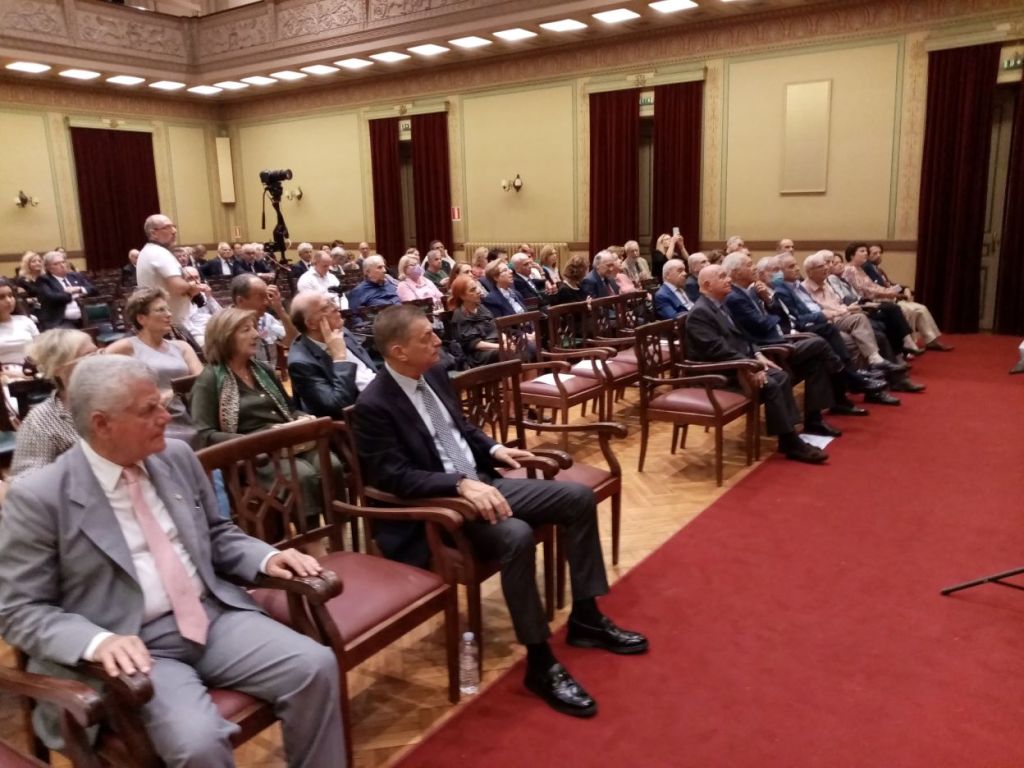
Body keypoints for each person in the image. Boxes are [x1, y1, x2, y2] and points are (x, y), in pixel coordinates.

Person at [0, 354, 345, 766]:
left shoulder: (175, 456)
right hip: (133, 645)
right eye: (149, 410)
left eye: (162, 404)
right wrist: (96, 641)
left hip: (212, 616)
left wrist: (267, 558)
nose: (166, 417)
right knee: (197, 743)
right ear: (101, 424)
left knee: (314, 666)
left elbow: (216, 533)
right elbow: (18, 610)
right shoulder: (41, 497)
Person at [352, 304, 647, 718]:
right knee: (516, 534)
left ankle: (586, 618)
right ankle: (540, 662)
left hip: (481, 483)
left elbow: (461, 429)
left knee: (577, 498)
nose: (438, 340)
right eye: (426, 337)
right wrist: (457, 485)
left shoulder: (434, 374)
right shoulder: (373, 405)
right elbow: (393, 478)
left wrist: (493, 449)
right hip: (437, 509)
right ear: (399, 351)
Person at [191, 308, 344, 528]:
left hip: (287, 443)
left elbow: (289, 410)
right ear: (225, 337)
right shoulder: (209, 379)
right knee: (302, 475)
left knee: (331, 464)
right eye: (246, 330)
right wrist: (257, 439)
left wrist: (304, 419)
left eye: (254, 328)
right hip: (253, 457)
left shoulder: (262, 369)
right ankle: (312, 539)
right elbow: (204, 435)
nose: (256, 334)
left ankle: (337, 530)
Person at [686, 265, 829, 464]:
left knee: (781, 376)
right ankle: (791, 442)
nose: (729, 279)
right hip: (718, 375)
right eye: (722, 276)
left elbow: (743, 337)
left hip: (737, 364)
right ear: (708, 285)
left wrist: (757, 354)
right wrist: (750, 366)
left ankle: (788, 440)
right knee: (772, 383)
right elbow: (717, 351)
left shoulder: (720, 304)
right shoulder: (700, 313)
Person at [104, 288, 203, 446]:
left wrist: (173, 392)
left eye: (168, 309)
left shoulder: (182, 346)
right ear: (141, 319)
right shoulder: (125, 347)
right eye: (160, 310)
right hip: (151, 420)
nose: (168, 314)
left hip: (188, 411)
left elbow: (201, 378)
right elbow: (100, 381)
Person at [10, 329, 95, 478]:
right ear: (58, 369)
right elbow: (27, 480)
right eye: (89, 356)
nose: (101, 360)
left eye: (99, 352)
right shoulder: (41, 421)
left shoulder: (123, 395)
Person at [842, 242, 952, 353]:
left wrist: (895, 291)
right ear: (852, 255)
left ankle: (917, 342)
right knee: (903, 310)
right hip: (867, 302)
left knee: (917, 308)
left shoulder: (859, 269)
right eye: (862, 251)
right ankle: (908, 344)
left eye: (866, 251)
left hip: (879, 298)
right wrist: (891, 293)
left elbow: (874, 286)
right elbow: (867, 290)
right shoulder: (850, 269)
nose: (866, 253)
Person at [287, 291, 378, 417]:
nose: (336, 307)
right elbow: (336, 407)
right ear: (311, 323)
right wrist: (340, 359)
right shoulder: (301, 363)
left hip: (381, 395)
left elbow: (370, 371)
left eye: (332, 302)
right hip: (363, 414)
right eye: (326, 307)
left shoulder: (341, 331)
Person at [137, 215, 208, 327]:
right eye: (167, 227)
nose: (174, 231)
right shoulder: (159, 253)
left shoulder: (147, 251)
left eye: (174, 227)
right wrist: (193, 287)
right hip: (171, 323)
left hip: (160, 320)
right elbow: (178, 287)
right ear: (153, 233)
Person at [231, 273, 297, 369]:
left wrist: (280, 309)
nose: (267, 302)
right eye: (261, 297)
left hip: (268, 375)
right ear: (240, 301)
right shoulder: (225, 325)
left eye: (267, 296)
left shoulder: (267, 319)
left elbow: (293, 341)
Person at [35, 251, 95, 331]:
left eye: (63, 262)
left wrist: (78, 289)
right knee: (71, 336)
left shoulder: (75, 276)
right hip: (61, 320)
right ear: (48, 268)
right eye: (56, 264)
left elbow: (93, 290)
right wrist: (73, 294)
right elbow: (52, 297)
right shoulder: (44, 280)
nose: (62, 265)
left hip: (86, 316)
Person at [449, 275, 501, 368]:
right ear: (462, 296)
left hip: (495, 343)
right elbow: (475, 344)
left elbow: (495, 327)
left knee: (523, 344)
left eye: (476, 287)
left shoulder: (481, 308)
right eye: (472, 290)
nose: (478, 291)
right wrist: (500, 346)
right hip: (478, 353)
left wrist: (506, 341)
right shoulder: (460, 315)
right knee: (503, 352)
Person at [0, 278, 39, 367]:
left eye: (10, 295)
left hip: (31, 369)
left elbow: (40, 348)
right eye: (1, 297)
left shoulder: (25, 320)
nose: (8, 300)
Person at [183, 267, 222, 349]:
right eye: (190, 279)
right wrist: (191, 295)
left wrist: (209, 297)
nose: (195, 282)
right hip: (201, 335)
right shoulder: (179, 300)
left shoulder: (203, 294)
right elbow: (187, 325)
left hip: (216, 329)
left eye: (197, 277)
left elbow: (221, 314)